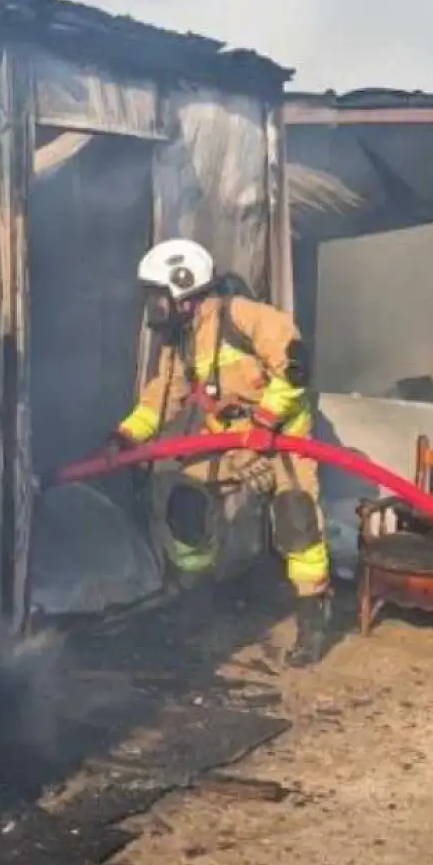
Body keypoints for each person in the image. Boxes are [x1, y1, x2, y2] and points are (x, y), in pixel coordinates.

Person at [109, 238, 332, 667]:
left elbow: (295, 366)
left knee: (296, 518)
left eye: (158, 297)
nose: (153, 307)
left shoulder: (246, 317)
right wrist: (127, 436)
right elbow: (165, 395)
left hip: (282, 438)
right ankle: (200, 601)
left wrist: (267, 422)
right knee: (185, 505)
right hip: (228, 442)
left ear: (184, 291)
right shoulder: (184, 342)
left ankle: (312, 619)